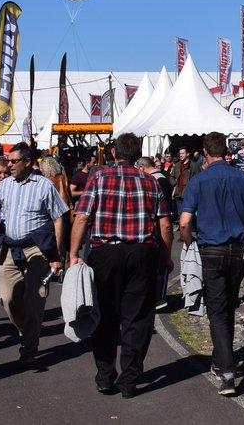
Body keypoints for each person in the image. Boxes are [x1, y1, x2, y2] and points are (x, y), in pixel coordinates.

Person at [68, 133, 172, 398]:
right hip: (141, 252)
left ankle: (105, 375)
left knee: (104, 315)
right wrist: (166, 256)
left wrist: (73, 255)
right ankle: (129, 379)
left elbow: (81, 218)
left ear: (114, 153)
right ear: (137, 154)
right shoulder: (150, 181)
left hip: (105, 254)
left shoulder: (98, 178)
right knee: (137, 318)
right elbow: (164, 225)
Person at [179, 131, 244, 397]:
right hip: (237, 248)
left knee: (217, 309)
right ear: (225, 152)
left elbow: (184, 221)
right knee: (228, 303)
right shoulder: (243, 177)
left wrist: (188, 242)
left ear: (205, 152)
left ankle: (227, 372)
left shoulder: (199, 181)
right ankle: (220, 359)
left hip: (211, 248)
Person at [0, 141, 66, 367]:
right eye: (8, 161)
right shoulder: (5, 185)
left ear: (27, 162)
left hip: (37, 248)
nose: (10, 165)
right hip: (10, 248)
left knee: (34, 299)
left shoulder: (44, 185)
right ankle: (28, 330)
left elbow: (59, 218)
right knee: (6, 297)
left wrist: (56, 255)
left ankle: (29, 348)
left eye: (14, 161)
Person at [137, 156, 175, 310]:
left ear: (142, 167)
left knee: (155, 263)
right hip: (161, 221)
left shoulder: (154, 181)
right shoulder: (163, 178)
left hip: (156, 224)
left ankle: (156, 298)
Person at [169, 147, 199, 215]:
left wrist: (192, 188)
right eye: (180, 153)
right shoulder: (177, 165)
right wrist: (175, 184)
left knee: (189, 213)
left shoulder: (194, 165)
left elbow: (198, 179)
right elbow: (171, 176)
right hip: (178, 193)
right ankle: (181, 225)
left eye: (182, 153)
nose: (180, 155)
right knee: (180, 213)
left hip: (189, 194)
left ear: (187, 154)